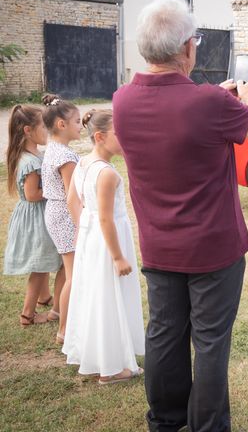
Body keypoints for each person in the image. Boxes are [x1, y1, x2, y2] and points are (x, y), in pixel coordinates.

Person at [113, 0, 248, 432]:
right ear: (186, 48)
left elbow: (176, 114)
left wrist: (218, 99)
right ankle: (208, 426)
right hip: (213, 249)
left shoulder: (123, 100)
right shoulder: (208, 104)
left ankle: (165, 421)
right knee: (210, 342)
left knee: (164, 335)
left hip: (159, 244)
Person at [62, 109, 145, 385]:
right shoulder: (107, 174)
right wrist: (119, 256)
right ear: (100, 137)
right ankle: (111, 368)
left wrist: (86, 231)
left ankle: (102, 355)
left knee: (95, 295)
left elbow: (73, 202)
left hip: (93, 240)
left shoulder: (83, 164)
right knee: (109, 296)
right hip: (109, 242)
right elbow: (106, 217)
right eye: (120, 134)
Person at [4, 105, 62, 327]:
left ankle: (44, 297)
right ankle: (27, 315)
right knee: (39, 265)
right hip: (35, 216)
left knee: (44, 257)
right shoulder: (29, 162)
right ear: (28, 131)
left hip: (37, 214)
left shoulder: (36, 154)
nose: (48, 130)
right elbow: (32, 195)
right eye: (44, 127)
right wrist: (58, 190)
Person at [41, 94, 82, 341]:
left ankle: (64, 320)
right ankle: (64, 330)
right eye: (77, 121)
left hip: (56, 212)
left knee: (70, 273)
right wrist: (81, 224)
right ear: (61, 124)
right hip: (65, 215)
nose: (80, 125)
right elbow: (73, 196)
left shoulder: (55, 149)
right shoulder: (65, 157)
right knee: (73, 274)